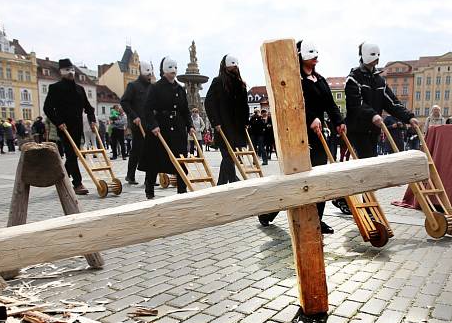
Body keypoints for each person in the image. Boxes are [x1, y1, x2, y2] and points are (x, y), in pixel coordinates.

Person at [258, 40, 346, 233]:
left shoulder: (320, 80)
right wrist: (310, 119)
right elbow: (292, 104)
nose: (315, 57)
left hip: (318, 135)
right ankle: (268, 213)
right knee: (295, 182)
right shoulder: (294, 80)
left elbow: (330, 105)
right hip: (297, 136)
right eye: (310, 54)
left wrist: (339, 121)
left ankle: (316, 220)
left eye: (316, 54)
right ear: (300, 56)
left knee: (319, 177)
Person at [345, 42, 419, 158]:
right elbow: (355, 103)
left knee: (373, 160)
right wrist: (372, 115)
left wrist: (409, 117)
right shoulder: (353, 78)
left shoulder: (380, 81)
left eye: (378, 55)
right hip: (359, 130)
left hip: (374, 130)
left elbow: (392, 103)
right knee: (366, 160)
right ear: (363, 54)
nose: (376, 58)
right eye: (373, 54)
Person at [139, 56, 194, 199]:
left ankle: (182, 191)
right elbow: (147, 109)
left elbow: (185, 110)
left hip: (177, 128)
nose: (173, 71)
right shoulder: (155, 88)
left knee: (180, 160)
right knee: (154, 161)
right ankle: (149, 188)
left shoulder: (181, 89)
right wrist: (153, 125)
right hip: (160, 128)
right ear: (164, 70)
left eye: (175, 67)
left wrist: (190, 126)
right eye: (170, 68)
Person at [43, 58, 97, 194]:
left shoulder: (80, 89)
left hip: (78, 127)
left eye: (72, 70)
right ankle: (77, 184)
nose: (71, 73)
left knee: (74, 154)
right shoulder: (55, 88)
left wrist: (92, 120)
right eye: (67, 70)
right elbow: (48, 108)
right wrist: (58, 122)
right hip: (64, 127)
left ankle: (62, 178)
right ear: (61, 72)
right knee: (72, 155)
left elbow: (89, 108)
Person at [204, 55, 249, 185]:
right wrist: (215, 122)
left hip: (237, 127)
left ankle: (222, 184)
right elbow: (209, 103)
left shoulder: (241, 84)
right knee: (228, 155)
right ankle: (233, 181)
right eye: (232, 64)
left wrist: (245, 122)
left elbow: (244, 105)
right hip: (223, 125)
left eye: (236, 64)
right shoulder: (218, 82)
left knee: (229, 156)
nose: (235, 66)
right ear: (225, 66)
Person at [121, 61, 154, 185]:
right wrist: (133, 116)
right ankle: (130, 175)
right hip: (137, 123)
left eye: (151, 72)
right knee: (137, 150)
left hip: (150, 123)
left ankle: (149, 178)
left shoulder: (152, 87)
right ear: (141, 72)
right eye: (147, 72)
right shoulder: (133, 86)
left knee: (151, 150)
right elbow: (124, 102)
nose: (150, 75)